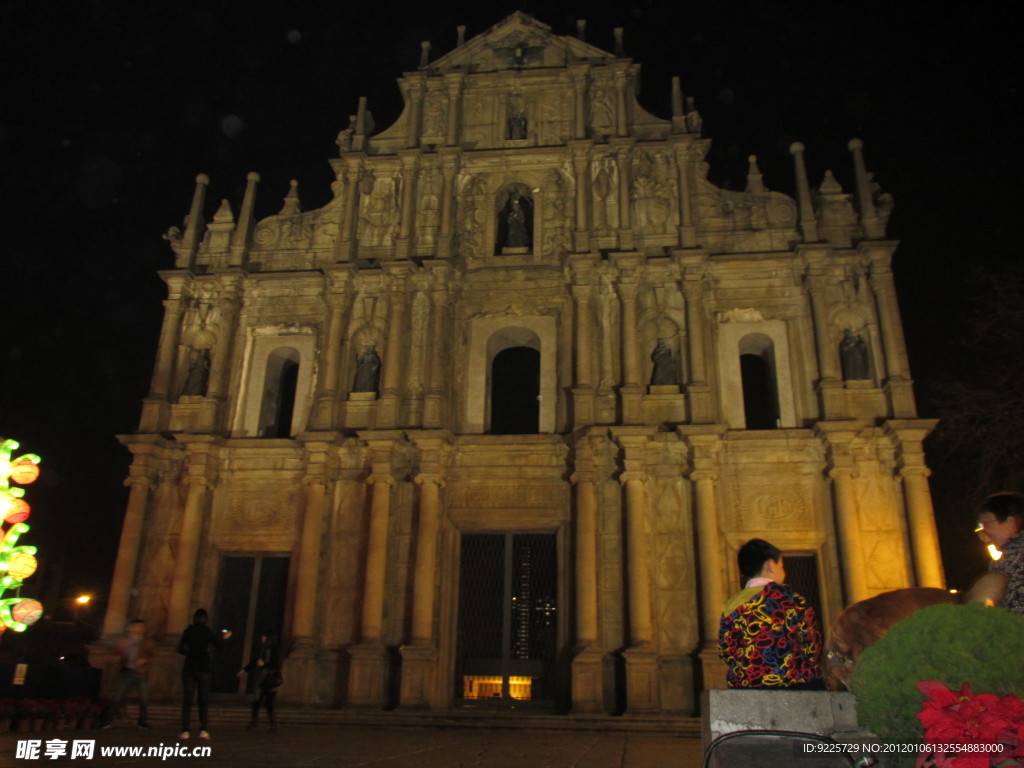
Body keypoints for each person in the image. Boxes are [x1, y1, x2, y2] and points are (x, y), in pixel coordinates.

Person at [719, 538, 824, 689]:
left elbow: (726, 650)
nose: (784, 571)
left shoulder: (732, 605)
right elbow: (812, 645)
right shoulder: (793, 601)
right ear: (770, 565)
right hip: (794, 685)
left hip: (746, 686)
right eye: (781, 565)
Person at [178, 609, 230, 740]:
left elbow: (180, 648)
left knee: (188, 700)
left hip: (189, 667)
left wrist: (189, 653)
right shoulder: (207, 631)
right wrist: (224, 638)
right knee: (203, 700)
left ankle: (185, 730)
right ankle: (204, 729)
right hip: (204, 667)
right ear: (206, 619)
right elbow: (219, 646)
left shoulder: (188, 631)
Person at [975, 492, 1024, 614]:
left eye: (985, 524)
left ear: (1010, 522)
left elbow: (981, 600)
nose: (982, 532)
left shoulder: (1011, 559)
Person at [100, 619, 153, 728]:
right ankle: (107, 720)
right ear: (130, 628)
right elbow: (117, 653)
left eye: (141, 627)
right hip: (127, 671)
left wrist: (145, 660)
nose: (139, 629)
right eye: (136, 627)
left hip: (140, 672)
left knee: (144, 698)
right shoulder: (125, 641)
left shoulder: (146, 641)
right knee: (118, 696)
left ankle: (142, 721)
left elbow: (151, 654)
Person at [239, 631, 282, 731]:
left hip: (270, 680)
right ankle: (255, 723)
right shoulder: (263, 650)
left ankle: (273, 723)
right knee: (257, 701)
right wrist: (244, 670)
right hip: (262, 680)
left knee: (269, 703)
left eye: (264, 637)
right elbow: (255, 661)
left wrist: (264, 665)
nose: (262, 639)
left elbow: (276, 665)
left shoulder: (274, 650)